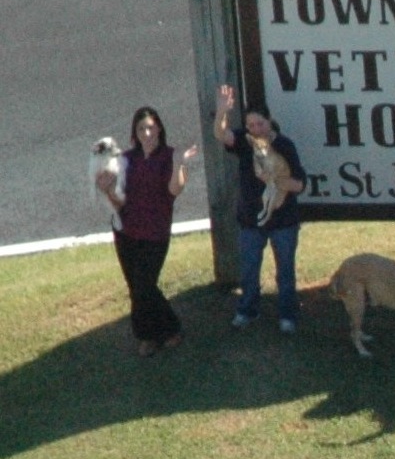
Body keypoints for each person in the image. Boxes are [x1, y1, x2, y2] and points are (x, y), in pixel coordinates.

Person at [95, 106, 198, 357]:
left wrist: (178, 165)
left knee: (145, 285)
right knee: (136, 288)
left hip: (154, 233)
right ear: (135, 132)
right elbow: (119, 201)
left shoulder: (169, 156)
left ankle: (171, 328)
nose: (147, 133)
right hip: (126, 232)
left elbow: (174, 191)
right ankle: (147, 336)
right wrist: (108, 190)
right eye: (141, 128)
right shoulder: (126, 160)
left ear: (159, 128)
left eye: (151, 127)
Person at [213, 84, 306, 334]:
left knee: (285, 273)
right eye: (251, 125)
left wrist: (273, 179)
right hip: (251, 221)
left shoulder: (285, 146)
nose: (256, 129)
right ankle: (247, 310)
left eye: (260, 124)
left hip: (283, 221)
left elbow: (299, 184)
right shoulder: (245, 142)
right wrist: (222, 111)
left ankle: (287, 314)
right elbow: (221, 135)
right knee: (249, 271)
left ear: (269, 121)